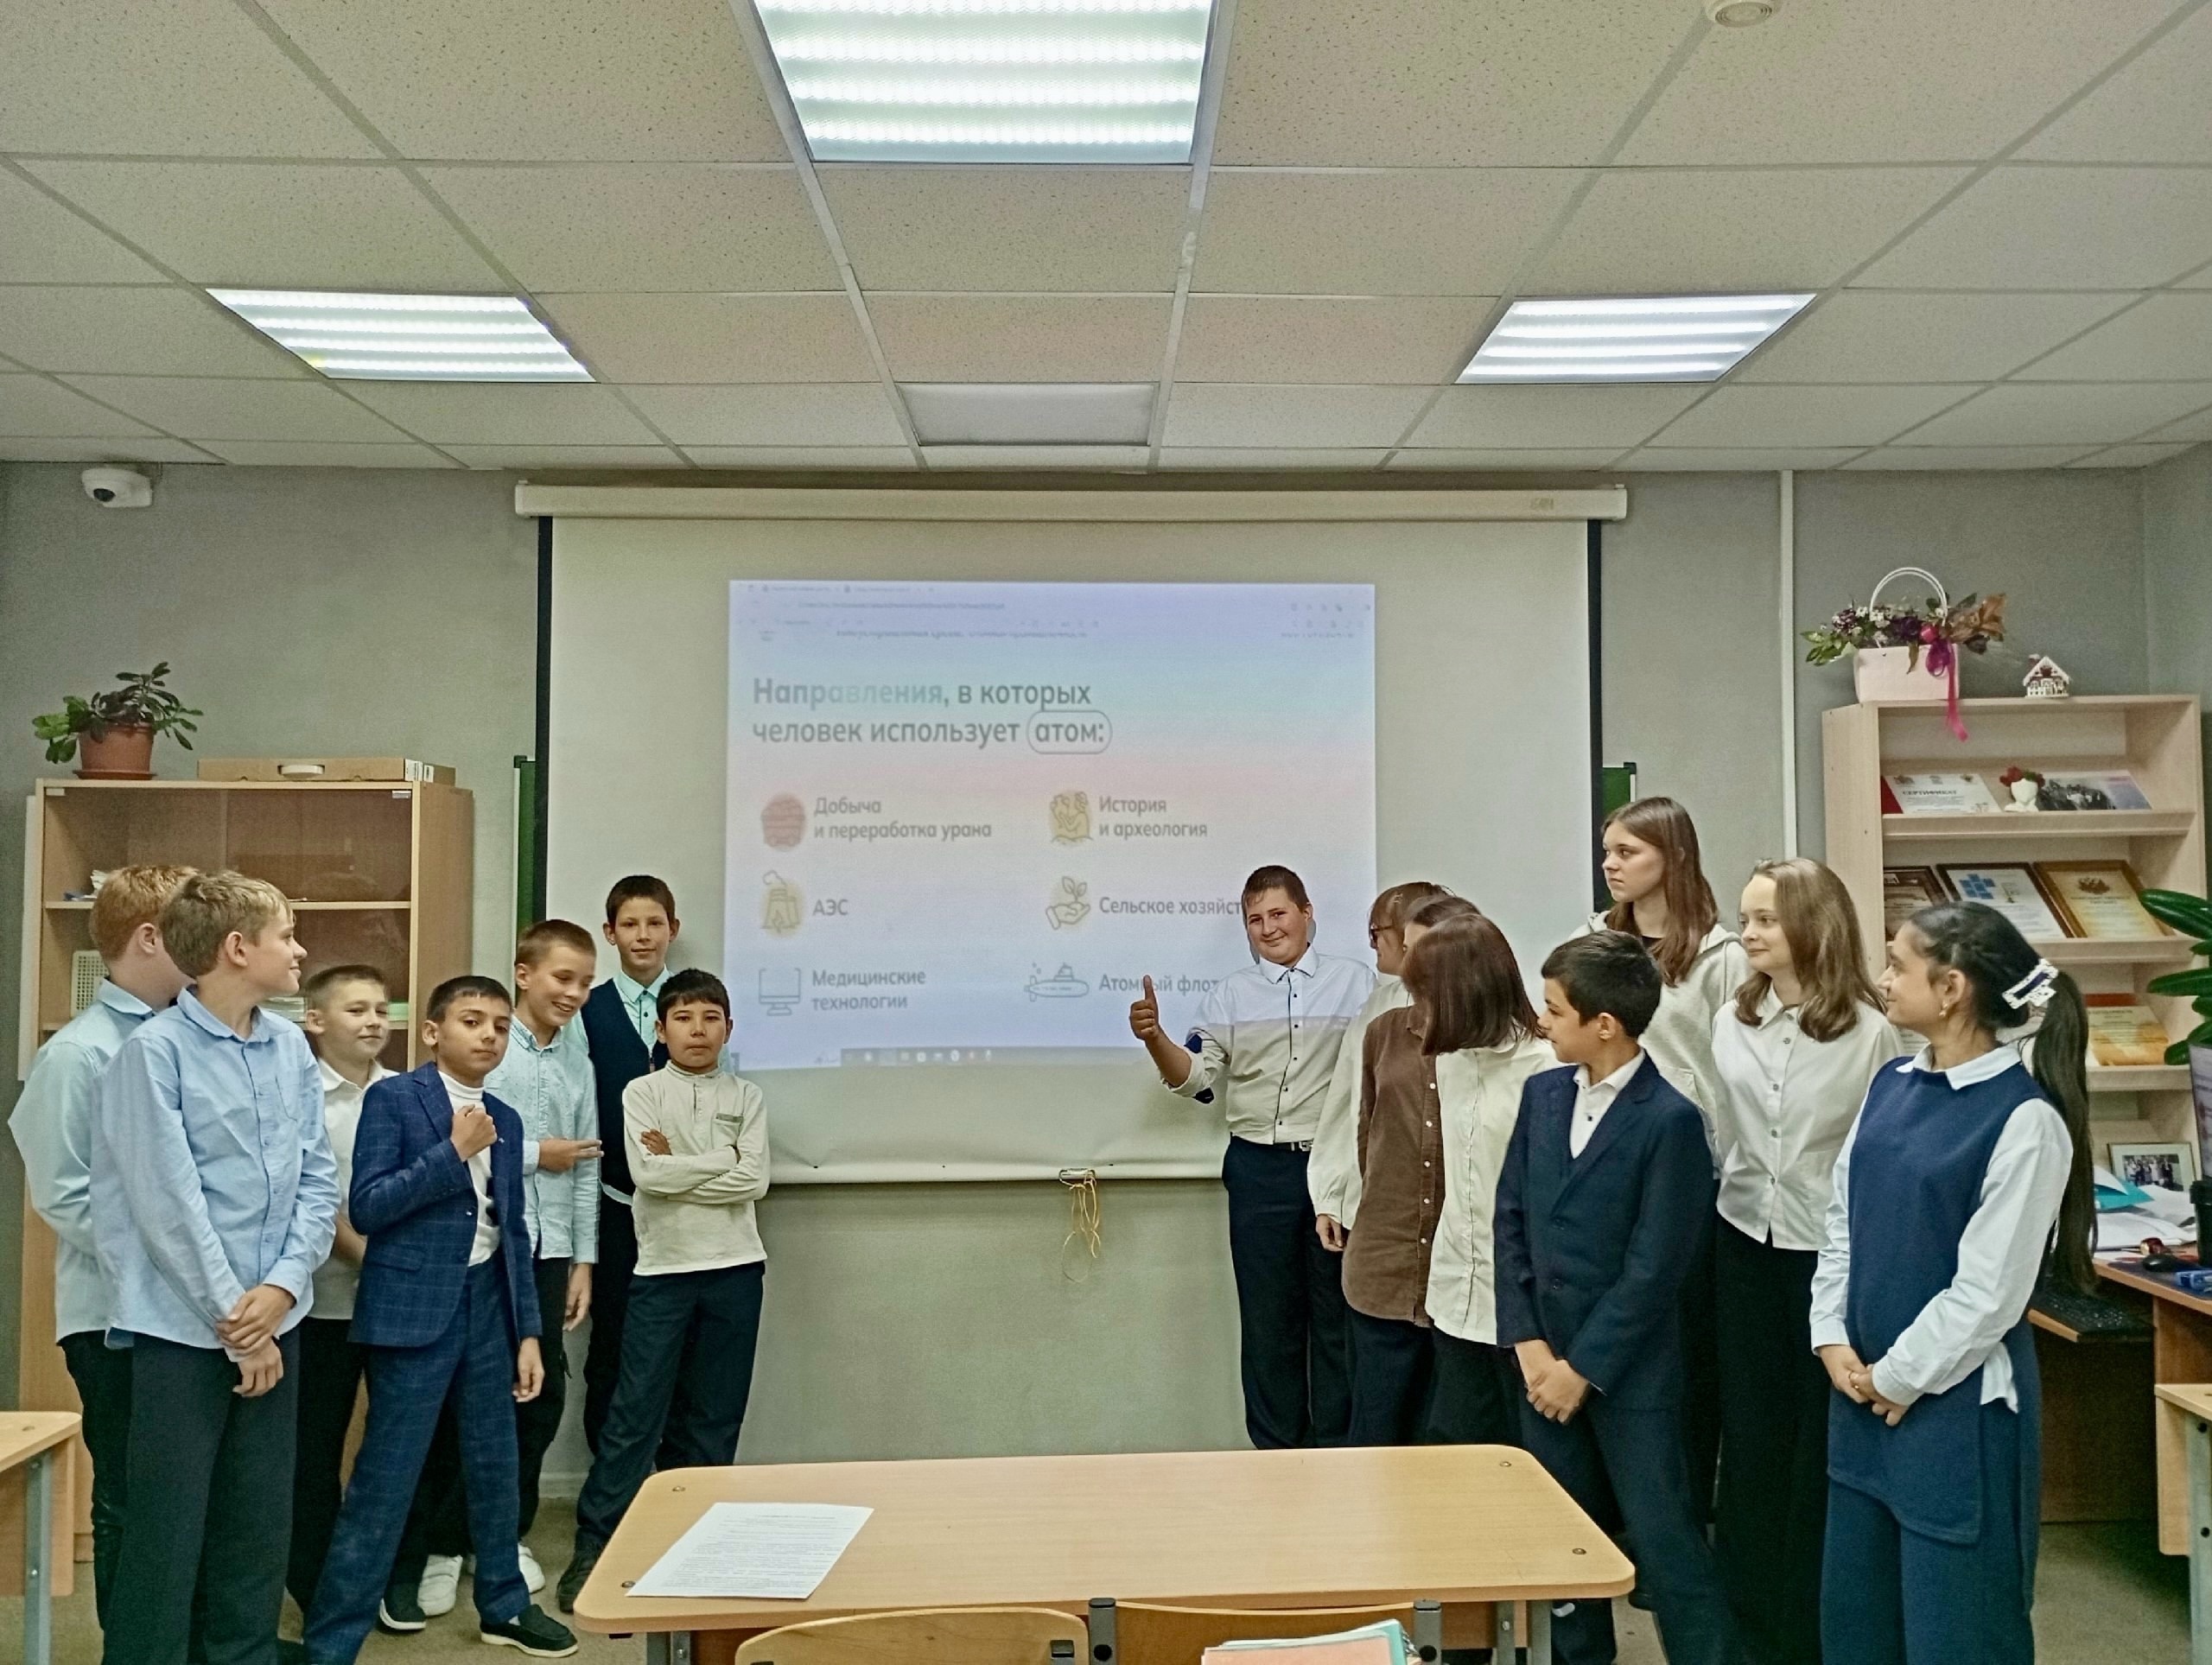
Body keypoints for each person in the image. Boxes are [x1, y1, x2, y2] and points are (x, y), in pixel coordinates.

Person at [1813, 903, 2093, 1665]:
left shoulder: (2025, 1120)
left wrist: (1898, 1377)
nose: (1882, 978)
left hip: (1954, 1415)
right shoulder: (1890, 1083)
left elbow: (1989, 1293)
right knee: (1857, 1625)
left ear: (1952, 989)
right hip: (1862, 1401)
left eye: (1898, 964)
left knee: (1957, 1634)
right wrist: (1830, 1336)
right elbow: (1843, 1218)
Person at [92, 871, 340, 1665]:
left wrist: (283, 1288)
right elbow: (169, 1206)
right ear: (237, 947)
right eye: (286, 935)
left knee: (257, 1526)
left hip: (277, 1319)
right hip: (183, 1333)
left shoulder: (290, 1046)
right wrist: (240, 1321)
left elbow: (317, 1180)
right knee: (167, 1532)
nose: (299, 950)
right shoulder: (152, 1053)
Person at [301, 977, 575, 1663]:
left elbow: (512, 1231)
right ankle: (332, 1640)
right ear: (432, 1031)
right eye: (472, 1020)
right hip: (411, 1311)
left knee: (495, 1461)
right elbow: (369, 1206)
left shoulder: (506, 1117)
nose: (488, 1035)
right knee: (385, 1477)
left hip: (489, 1307)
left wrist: (529, 1332)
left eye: (500, 1025)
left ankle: (504, 1605)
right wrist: (451, 1151)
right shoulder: (394, 1099)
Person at [1494, 931, 1744, 1665]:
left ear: (1604, 1023)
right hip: (1543, 1365)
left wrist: (1584, 1368)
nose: (1542, 1021)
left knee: (1666, 1544)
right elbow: (1510, 1219)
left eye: (1554, 1009)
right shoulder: (1542, 1095)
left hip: (1631, 1375)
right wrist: (1530, 1345)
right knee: (1561, 1544)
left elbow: (1656, 1267)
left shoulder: (1670, 1119)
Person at [1709, 860, 1903, 1665]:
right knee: (1750, 1437)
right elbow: (1724, 1131)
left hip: (1826, 1255)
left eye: (1764, 919)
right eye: (1745, 918)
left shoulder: (1871, 1031)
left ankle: (1807, 1631)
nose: (1747, 933)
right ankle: (1744, 1627)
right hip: (1741, 1241)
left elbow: (1877, 1155)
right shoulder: (1733, 1016)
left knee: (1814, 1444)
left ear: (1812, 925)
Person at [390, 921, 604, 1621]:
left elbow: (585, 1161)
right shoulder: (489, 1051)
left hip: (549, 1247)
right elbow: (468, 1145)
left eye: (584, 981)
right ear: (524, 973)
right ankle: (445, 1542)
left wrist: (583, 1259)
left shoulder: (578, 1061)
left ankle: (502, 1534)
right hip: (483, 1249)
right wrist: (542, 1152)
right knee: (468, 1400)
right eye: (562, 977)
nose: (573, 992)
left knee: (538, 1397)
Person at [1128, 865, 1374, 1449]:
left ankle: (1338, 1450)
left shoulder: (1357, 983)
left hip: (1333, 1169)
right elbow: (1195, 1078)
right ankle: (1276, 1452)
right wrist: (1156, 1038)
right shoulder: (1230, 994)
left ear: (1307, 913)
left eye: (1278, 913)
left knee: (1337, 1319)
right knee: (1268, 1322)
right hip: (1259, 1170)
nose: (1268, 928)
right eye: (1254, 919)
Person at [8, 863, 193, 1630]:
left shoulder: (191, 1036)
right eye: (193, 929)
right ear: (150, 937)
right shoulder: (80, 1052)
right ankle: (135, 1645)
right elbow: (63, 1193)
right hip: (115, 1315)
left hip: (192, 1311)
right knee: (129, 1493)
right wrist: (180, 1265)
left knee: (184, 1493)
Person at [559, 971, 767, 1613]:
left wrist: (686, 1167)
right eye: (683, 1018)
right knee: (634, 1414)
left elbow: (755, 1180)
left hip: (737, 1269)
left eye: (711, 1018)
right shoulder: (642, 1091)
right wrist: (721, 1158)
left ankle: (698, 1544)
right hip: (661, 1272)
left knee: (714, 1417)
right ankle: (597, 1544)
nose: (697, 1030)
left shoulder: (748, 1095)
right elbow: (648, 1176)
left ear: (728, 1029)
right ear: (661, 1028)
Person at [1589, 796, 1746, 1527]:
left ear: (1673, 857)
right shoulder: (1594, 940)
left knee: (1685, 1351)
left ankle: (1681, 1521)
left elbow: (1733, 1072)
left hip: (1690, 1172)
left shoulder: (1722, 955)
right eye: (1608, 851)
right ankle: (1618, 1515)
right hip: (1607, 1169)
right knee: (1616, 1340)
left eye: (1628, 851)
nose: (1611, 864)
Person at [1343, 909, 1551, 1446]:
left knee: (1526, 1460)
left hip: (1524, 1313)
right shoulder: (1450, 1060)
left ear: (1466, 994)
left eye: (1429, 998)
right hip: (1453, 1299)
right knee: (1451, 1452)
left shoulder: (1545, 1069)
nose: (1420, 1014)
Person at [288, 965, 395, 1620]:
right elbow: (310, 1197)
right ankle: (317, 1586)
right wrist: (370, 1259)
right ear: (316, 1020)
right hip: (320, 1303)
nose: (374, 1020)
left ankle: (382, 1577)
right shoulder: (299, 1094)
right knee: (315, 1450)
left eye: (381, 1008)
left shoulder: (405, 1093)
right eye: (357, 1009)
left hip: (393, 1306)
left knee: (392, 1447)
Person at [577, 875, 678, 1454]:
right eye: (630, 924)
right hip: (611, 1206)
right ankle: (611, 1481)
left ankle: (677, 1478)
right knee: (611, 1344)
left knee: (679, 1346)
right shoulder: (585, 1010)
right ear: (610, 933)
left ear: (673, 930)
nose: (643, 935)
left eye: (655, 923)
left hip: (683, 1208)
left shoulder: (694, 1004)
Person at [1309, 881, 1451, 1252]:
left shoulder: (1464, 1005)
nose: (1373, 943)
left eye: (1377, 931)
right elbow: (1347, 1104)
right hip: (1380, 1206)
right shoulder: (1377, 1007)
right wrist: (1331, 1197)